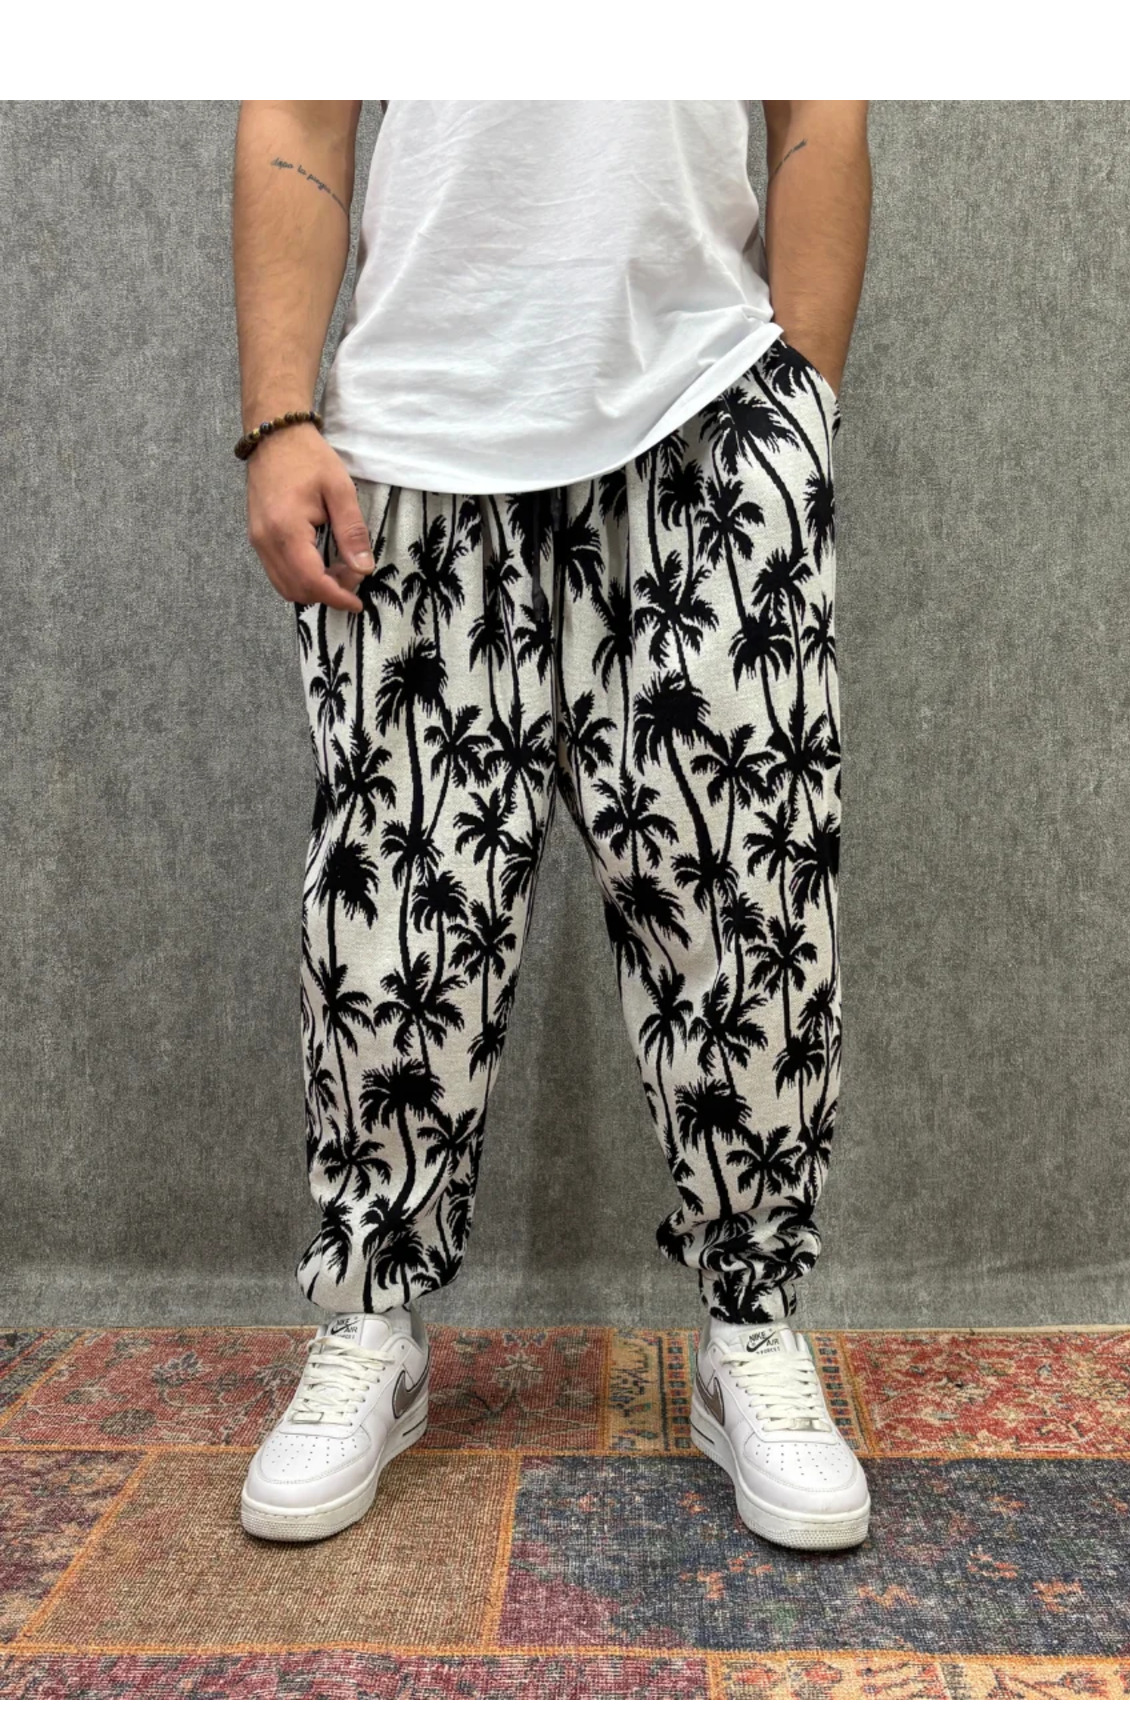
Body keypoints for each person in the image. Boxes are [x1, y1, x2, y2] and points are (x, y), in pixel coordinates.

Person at [231, 99, 873, 1551]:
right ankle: (371, 1325)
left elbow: (819, 101)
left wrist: (804, 412)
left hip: (707, 414)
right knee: (396, 922)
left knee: (747, 905)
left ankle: (753, 1326)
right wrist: (278, 417)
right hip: (414, 434)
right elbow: (298, 106)